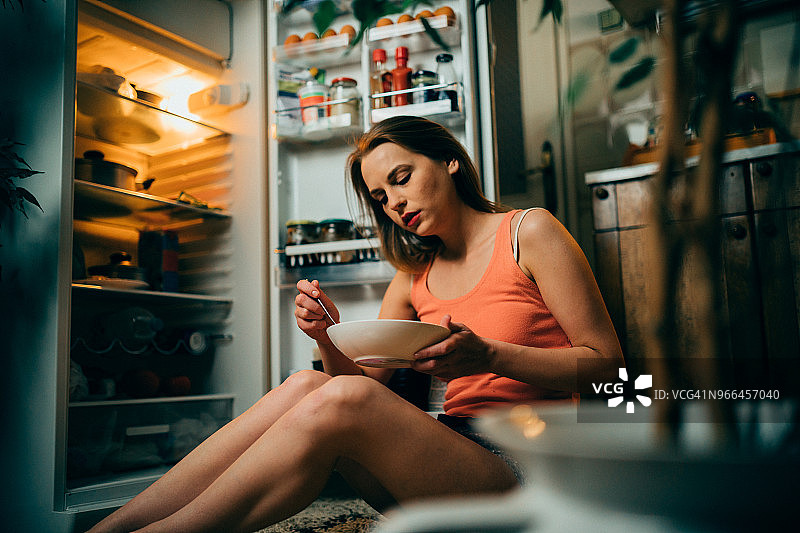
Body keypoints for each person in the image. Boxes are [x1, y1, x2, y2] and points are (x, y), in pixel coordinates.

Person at [87, 116, 623, 533]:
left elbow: (611, 369)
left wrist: (489, 356)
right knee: (307, 383)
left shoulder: (528, 232)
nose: (395, 204)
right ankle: (113, 527)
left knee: (339, 397)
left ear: (449, 161)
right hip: (446, 455)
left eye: (402, 178)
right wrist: (326, 335)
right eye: (381, 197)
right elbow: (356, 390)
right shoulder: (414, 275)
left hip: (532, 465)